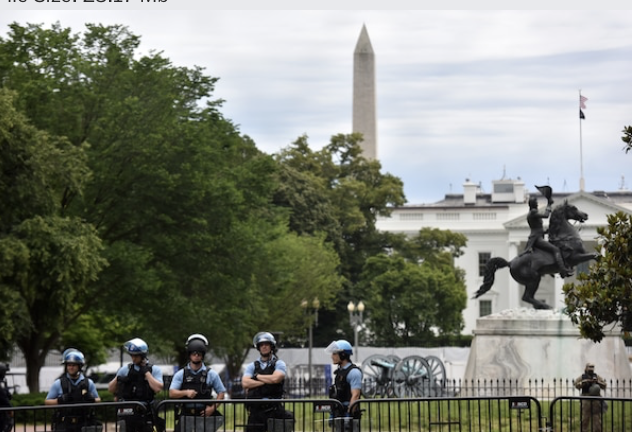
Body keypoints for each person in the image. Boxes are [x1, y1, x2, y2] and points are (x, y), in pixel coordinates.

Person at [169, 334, 226, 431]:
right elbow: (172, 393)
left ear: (203, 355)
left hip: (204, 414)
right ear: (189, 355)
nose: (196, 356)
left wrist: (212, 409)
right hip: (186, 414)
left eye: (199, 354)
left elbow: (221, 393)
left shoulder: (211, 374)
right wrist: (186, 392)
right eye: (193, 354)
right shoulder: (181, 374)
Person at [108, 338, 164, 432]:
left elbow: (158, 388)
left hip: (145, 412)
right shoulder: (125, 369)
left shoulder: (154, 369)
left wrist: (146, 373)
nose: (133, 358)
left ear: (143, 355)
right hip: (127, 412)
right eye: (132, 356)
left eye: (136, 356)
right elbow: (111, 389)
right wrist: (118, 379)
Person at [242, 332, 293, 432]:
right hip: (256, 411)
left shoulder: (279, 363)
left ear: (271, 346)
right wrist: (266, 381)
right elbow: (245, 383)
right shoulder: (252, 365)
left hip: (274, 409)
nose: (264, 347)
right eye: (261, 345)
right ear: (258, 347)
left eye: (266, 344)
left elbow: (276, 378)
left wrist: (257, 377)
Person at [45, 349, 101, 432]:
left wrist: (91, 399)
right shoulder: (58, 383)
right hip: (64, 423)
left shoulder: (88, 383)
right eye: (69, 365)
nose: (71, 367)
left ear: (79, 366)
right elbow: (47, 402)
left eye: (74, 365)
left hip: (84, 422)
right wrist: (60, 400)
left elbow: (98, 400)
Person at [524, 196, 573, 277]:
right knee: (556, 249)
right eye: (536, 202)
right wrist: (549, 205)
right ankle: (563, 270)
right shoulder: (533, 212)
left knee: (552, 248)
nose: (537, 203)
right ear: (533, 204)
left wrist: (546, 231)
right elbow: (546, 215)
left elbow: (537, 228)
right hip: (536, 239)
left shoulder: (533, 213)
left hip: (538, 236)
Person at [325, 340, 362, 420]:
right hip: (338, 413)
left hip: (347, 415)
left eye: (334, 353)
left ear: (343, 354)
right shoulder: (340, 372)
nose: (332, 356)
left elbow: (355, 395)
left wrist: (349, 414)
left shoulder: (353, 372)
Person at [575, 362, 607, 432]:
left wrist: (598, 382)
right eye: (589, 367)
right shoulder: (582, 377)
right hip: (586, 398)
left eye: (592, 367)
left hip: (596, 399)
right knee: (585, 417)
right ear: (586, 368)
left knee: (596, 418)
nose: (591, 369)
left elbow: (604, 385)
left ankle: (597, 430)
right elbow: (576, 384)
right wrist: (583, 383)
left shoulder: (596, 376)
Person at [0, 364, 13, 432]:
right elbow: (4, 398)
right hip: (2, 414)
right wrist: (10, 408)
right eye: (4, 372)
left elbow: (8, 396)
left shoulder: (2, 383)